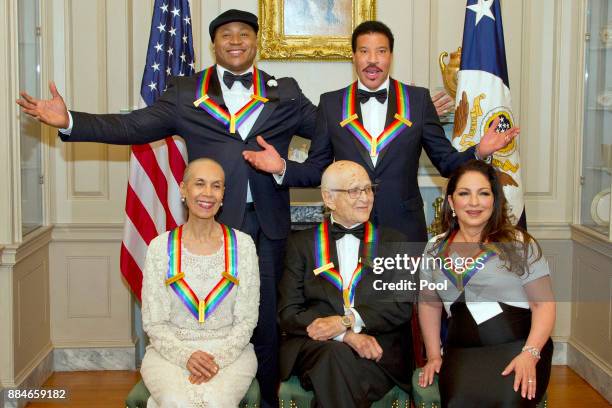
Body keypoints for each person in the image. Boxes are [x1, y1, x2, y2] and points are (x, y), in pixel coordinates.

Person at [16, 9, 329, 407]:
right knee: (196, 318)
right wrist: (71, 121)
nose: (235, 40)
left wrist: (417, 119)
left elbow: (332, 130)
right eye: (226, 35)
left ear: (256, 42)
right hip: (208, 227)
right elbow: (134, 127)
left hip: (266, 228)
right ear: (214, 45)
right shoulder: (186, 91)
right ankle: (193, 388)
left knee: (264, 326)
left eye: (244, 34)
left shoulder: (284, 90)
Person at [244, 20, 519, 243]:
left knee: (404, 309)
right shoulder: (331, 103)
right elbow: (318, 169)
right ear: (353, 56)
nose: (372, 60)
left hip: (404, 231)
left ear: (391, 56)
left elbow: (446, 162)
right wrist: (282, 166)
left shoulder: (418, 100)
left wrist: (479, 151)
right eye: (364, 51)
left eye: (381, 51)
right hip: (348, 230)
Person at [417, 160, 555, 407]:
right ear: (451, 202)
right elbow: (429, 305)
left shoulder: (519, 242)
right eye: (464, 193)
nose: (474, 202)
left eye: (483, 193)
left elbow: (543, 305)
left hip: (518, 347)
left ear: (494, 200)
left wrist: (530, 354)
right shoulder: (434, 249)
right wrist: (434, 355)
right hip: (463, 353)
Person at [278, 161, 415, 408]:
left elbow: (401, 306)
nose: (365, 198)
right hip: (317, 348)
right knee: (335, 355)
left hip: (378, 351)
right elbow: (288, 313)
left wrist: (348, 320)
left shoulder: (396, 241)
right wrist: (345, 335)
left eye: (368, 189)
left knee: (335, 370)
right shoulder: (301, 244)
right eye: (354, 191)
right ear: (328, 198)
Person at [140, 158, 259, 407]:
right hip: (169, 353)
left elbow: (246, 321)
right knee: (176, 400)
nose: (208, 193)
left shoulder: (243, 246)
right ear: (183, 189)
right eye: (199, 184)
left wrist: (214, 358)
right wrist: (187, 356)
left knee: (215, 401)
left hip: (231, 354)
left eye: (216, 186)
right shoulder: (160, 247)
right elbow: (154, 322)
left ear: (223, 194)